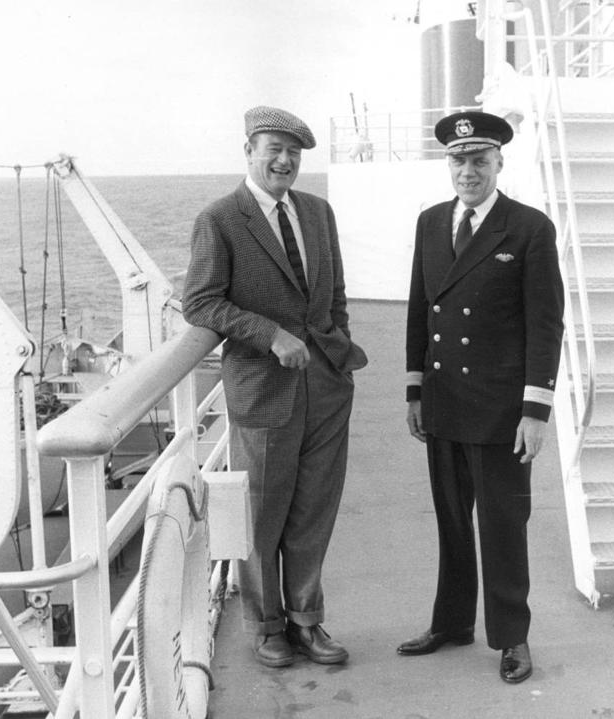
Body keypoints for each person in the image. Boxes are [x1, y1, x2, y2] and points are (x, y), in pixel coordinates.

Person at [182, 105, 367, 668]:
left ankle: (307, 621)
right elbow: (200, 302)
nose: (285, 161)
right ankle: (266, 626)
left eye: (294, 153)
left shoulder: (317, 212)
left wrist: (336, 348)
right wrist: (270, 335)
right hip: (264, 387)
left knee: (314, 507)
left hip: (326, 384)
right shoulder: (220, 219)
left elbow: (333, 293)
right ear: (249, 151)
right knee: (263, 511)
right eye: (274, 150)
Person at [398, 111, 564, 683]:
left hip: (500, 410)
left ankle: (512, 638)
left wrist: (535, 411)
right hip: (444, 401)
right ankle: (451, 622)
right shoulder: (430, 222)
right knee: (451, 520)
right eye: (458, 160)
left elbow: (547, 326)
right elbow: (422, 308)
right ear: (448, 163)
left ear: (499, 163)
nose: (467, 171)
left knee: (502, 523)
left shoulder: (528, 228)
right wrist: (414, 389)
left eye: (479, 160)